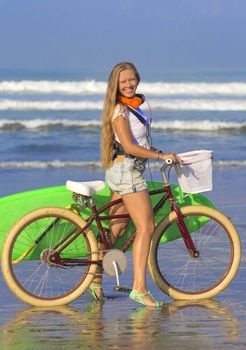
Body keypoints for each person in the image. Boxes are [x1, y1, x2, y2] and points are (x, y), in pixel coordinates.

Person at [92, 62, 180, 307]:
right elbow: (130, 147)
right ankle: (139, 289)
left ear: (137, 79)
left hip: (122, 170)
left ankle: (94, 280)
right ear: (116, 85)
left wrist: (152, 151)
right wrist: (161, 157)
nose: (129, 85)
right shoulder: (120, 110)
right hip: (128, 173)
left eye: (132, 80)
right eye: (123, 82)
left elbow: (132, 144)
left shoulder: (131, 108)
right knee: (146, 228)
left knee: (116, 230)